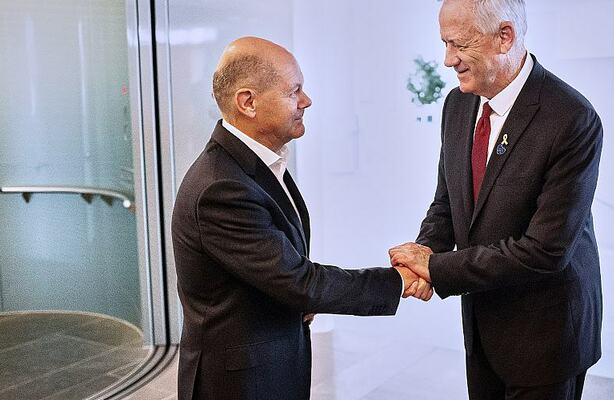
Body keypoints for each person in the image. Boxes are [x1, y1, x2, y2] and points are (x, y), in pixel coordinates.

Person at [172, 37, 432, 400]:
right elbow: (299, 281)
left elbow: (274, 271)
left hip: (268, 366)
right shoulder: (222, 188)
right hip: (239, 383)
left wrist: (301, 300)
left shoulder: (255, 165)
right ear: (248, 102)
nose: (306, 101)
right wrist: (398, 280)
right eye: (294, 91)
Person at [388, 0, 603, 399]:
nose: (448, 59)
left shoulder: (572, 118)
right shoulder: (458, 104)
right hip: (482, 325)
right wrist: (425, 250)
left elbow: (546, 251)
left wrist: (436, 268)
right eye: (445, 43)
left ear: (505, 36)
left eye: (459, 44)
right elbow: (447, 202)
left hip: (546, 336)